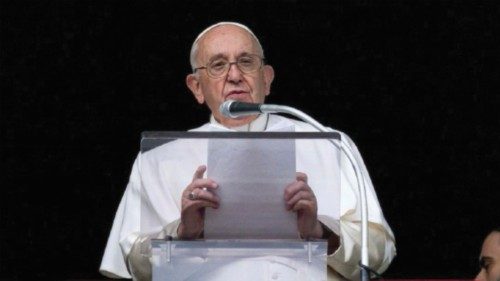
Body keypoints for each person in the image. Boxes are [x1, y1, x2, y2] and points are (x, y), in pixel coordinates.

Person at [100, 22, 396, 281]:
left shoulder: (329, 144)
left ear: (266, 78)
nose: (234, 75)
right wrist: (183, 233)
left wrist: (320, 232)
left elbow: (379, 254)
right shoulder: (157, 160)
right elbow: (134, 267)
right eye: (217, 65)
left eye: (246, 61)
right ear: (196, 87)